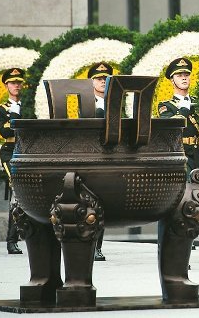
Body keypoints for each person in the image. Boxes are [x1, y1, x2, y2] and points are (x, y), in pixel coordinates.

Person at [158, 57, 199, 256]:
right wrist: (186, 110)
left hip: (197, 153)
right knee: (182, 198)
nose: (184, 78)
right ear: (172, 80)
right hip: (180, 154)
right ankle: (181, 241)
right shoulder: (165, 105)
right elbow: (170, 124)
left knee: (196, 196)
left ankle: (187, 236)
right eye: (179, 75)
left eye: (186, 74)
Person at [0, 67, 25, 255]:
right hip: (10, 152)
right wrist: (14, 111)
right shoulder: (0, 109)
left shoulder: (27, 106)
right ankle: (11, 240)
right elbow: (6, 132)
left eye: (19, 82)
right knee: (17, 193)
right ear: (6, 85)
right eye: (13, 83)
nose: (16, 86)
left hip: (27, 151)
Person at [88, 61, 113, 261]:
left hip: (108, 157)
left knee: (102, 204)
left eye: (105, 79)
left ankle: (98, 246)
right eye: (98, 79)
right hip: (89, 157)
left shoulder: (114, 104)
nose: (102, 81)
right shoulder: (84, 103)